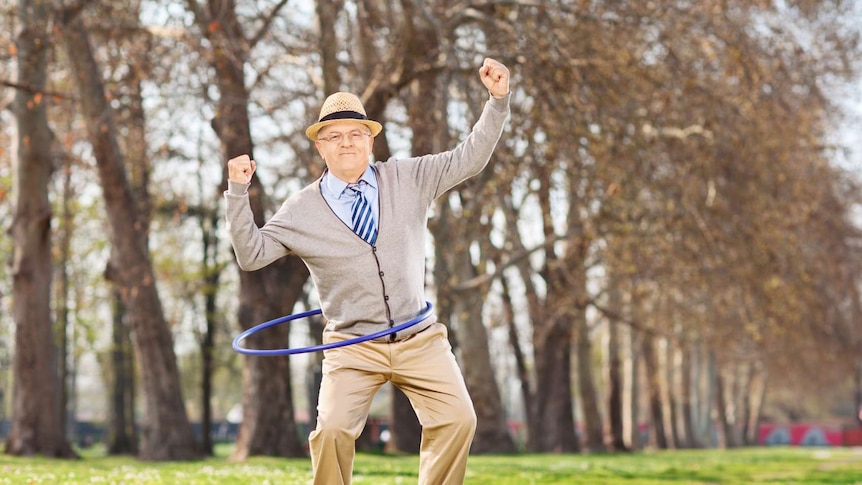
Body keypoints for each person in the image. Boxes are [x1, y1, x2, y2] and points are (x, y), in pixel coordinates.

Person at [224, 57, 510, 485]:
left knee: (458, 420)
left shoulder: (408, 178)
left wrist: (498, 100)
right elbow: (252, 255)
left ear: (370, 142)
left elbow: (468, 157)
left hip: (419, 337)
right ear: (320, 147)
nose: (346, 143)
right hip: (352, 345)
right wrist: (237, 192)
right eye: (334, 137)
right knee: (333, 431)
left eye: (356, 134)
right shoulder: (301, 209)